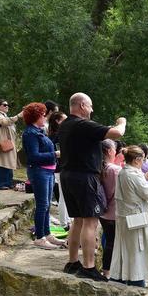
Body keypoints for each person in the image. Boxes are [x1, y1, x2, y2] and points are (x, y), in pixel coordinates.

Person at [58, 92, 126, 282]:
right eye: (90, 106)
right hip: (85, 177)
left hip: (68, 175)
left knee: (77, 221)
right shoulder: (82, 124)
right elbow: (117, 133)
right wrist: (122, 121)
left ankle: (73, 262)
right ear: (81, 106)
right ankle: (88, 267)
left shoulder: (65, 125)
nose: (92, 109)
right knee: (90, 221)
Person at [110, 146, 148, 287]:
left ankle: (120, 278)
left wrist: (145, 178)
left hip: (125, 216)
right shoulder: (134, 174)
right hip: (137, 218)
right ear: (138, 160)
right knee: (138, 250)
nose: (144, 163)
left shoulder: (123, 171)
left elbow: (133, 188)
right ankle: (137, 281)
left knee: (126, 248)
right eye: (143, 160)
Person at [21, 102, 65, 249]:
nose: (45, 116)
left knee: (46, 206)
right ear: (36, 116)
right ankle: (40, 237)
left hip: (48, 171)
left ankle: (47, 234)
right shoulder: (30, 133)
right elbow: (33, 156)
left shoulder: (38, 131)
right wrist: (55, 154)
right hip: (39, 172)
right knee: (42, 205)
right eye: (43, 114)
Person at [100, 139, 122, 278]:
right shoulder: (115, 169)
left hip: (103, 212)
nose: (116, 152)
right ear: (109, 151)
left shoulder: (99, 167)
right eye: (114, 149)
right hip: (114, 212)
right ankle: (110, 271)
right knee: (113, 243)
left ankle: (106, 270)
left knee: (109, 242)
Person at [0, 99, 23, 190]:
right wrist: (18, 116)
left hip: (8, 144)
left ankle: (8, 183)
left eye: (7, 105)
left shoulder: (5, 116)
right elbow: (5, 122)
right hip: (3, 143)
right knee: (4, 163)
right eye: (4, 105)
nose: (7, 106)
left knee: (9, 163)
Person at [47, 111, 71, 230]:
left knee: (64, 195)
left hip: (59, 168)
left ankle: (66, 221)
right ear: (57, 121)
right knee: (63, 195)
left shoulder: (54, 134)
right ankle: (64, 222)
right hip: (60, 168)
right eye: (64, 119)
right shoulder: (58, 135)